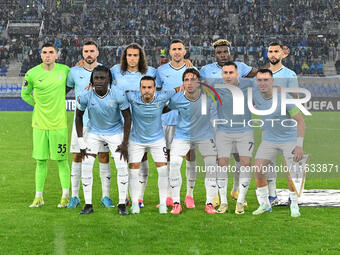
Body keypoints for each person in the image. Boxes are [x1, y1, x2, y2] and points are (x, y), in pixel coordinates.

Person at [200, 39, 256, 206]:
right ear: (214, 54)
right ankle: (216, 194)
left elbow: (259, 74)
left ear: (230, 53)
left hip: (239, 119)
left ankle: (236, 189)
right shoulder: (205, 70)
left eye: (225, 52)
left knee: (240, 156)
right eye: (219, 52)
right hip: (215, 119)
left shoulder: (241, 67)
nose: (222, 55)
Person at [76, 66, 131, 215]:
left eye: (102, 78)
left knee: (121, 167)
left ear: (109, 80)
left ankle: (121, 204)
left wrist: (125, 143)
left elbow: (127, 117)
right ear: (92, 80)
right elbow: (78, 116)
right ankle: (88, 204)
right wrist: (81, 140)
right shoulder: (86, 95)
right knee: (86, 166)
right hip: (94, 132)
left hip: (115, 132)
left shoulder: (118, 94)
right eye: (96, 78)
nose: (99, 81)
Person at [21, 42, 71, 208]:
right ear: (40, 55)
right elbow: (24, 93)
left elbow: (75, 81)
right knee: (41, 161)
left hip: (59, 125)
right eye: (44, 52)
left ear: (56, 55)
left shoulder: (64, 70)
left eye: (51, 52)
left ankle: (65, 196)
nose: (48, 55)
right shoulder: (32, 73)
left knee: (62, 161)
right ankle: (38, 197)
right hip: (39, 125)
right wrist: (36, 104)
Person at [252, 69, 305, 217]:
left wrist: (299, 145)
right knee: (258, 168)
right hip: (269, 140)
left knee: (291, 172)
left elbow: (301, 122)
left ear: (272, 81)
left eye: (266, 80)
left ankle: (294, 204)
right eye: (260, 80)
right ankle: (264, 204)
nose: (262, 83)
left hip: (289, 140)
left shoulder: (285, 99)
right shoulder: (256, 95)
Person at [66, 41, 113, 209]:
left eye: (92, 51)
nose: (89, 54)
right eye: (86, 51)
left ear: (98, 52)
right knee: (77, 156)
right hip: (81, 123)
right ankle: (75, 196)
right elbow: (64, 90)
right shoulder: (74, 72)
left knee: (103, 157)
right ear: (82, 53)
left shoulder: (106, 71)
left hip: (101, 123)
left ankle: (105, 196)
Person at [125, 76, 181, 214]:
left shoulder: (162, 97)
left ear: (155, 89)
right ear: (140, 89)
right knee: (133, 170)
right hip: (136, 140)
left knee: (162, 171)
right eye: (143, 87)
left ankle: (162, 204)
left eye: (150, 87)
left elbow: (180, 88)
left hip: (157, 140)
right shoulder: (131, 97)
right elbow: (113, 91)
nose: (147, 91)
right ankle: (135, 204)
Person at [110, 43, 157, 208]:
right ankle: (127, 196)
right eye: (129, 55)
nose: (132, 58)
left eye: (135, 55)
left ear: (140, 57)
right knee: (126, 160)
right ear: (125, 57)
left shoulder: (150, 72)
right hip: (120, 123)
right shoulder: (115, 71)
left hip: (142, 122)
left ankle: (139, 197)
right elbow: (99, 77)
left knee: (142, 158)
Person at [168, 68, 218, 214]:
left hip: (204, 136)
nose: (189, 83)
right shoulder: (177, 99)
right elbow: (165, 106)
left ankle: (209, 203)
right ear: (183, 83)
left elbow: (215, 119)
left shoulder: (208, 99)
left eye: (193, 79)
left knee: (211, 166)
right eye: (186, 80)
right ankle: (176, 202)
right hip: (182, 136)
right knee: (175, 165)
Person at [156, 39, 196, 209]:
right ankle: (170, 196)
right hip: (166, 121)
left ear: (185, 51)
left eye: (180, 49)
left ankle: (190, 194)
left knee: (190, 157)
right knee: (168, 160)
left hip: (186, 123)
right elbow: (157, 93)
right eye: (174, 49)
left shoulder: (192, 71)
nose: (177, 52)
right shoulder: (161, 71)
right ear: (170, 52)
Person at [214, 62, 254, 214]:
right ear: (222, 74)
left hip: (245, 131)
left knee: (245, 163)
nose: (228, 75)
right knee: (222, 164)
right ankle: (223, 202)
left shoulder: (249, 85)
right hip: (223, 131)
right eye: (225, 73)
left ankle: (240, 201)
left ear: (237, 74)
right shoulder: (216, 88)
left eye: (231, 72)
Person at [266, 42, 300, 206]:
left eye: (276, 51)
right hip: (269, 125)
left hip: (287, 125)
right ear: (267, 54)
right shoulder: (263, 74)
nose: (273, 54)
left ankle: (292, 197)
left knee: (290, 164)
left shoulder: (290, 74)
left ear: (282, 54)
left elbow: (295, 97)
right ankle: (272, 196)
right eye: (270, 51)